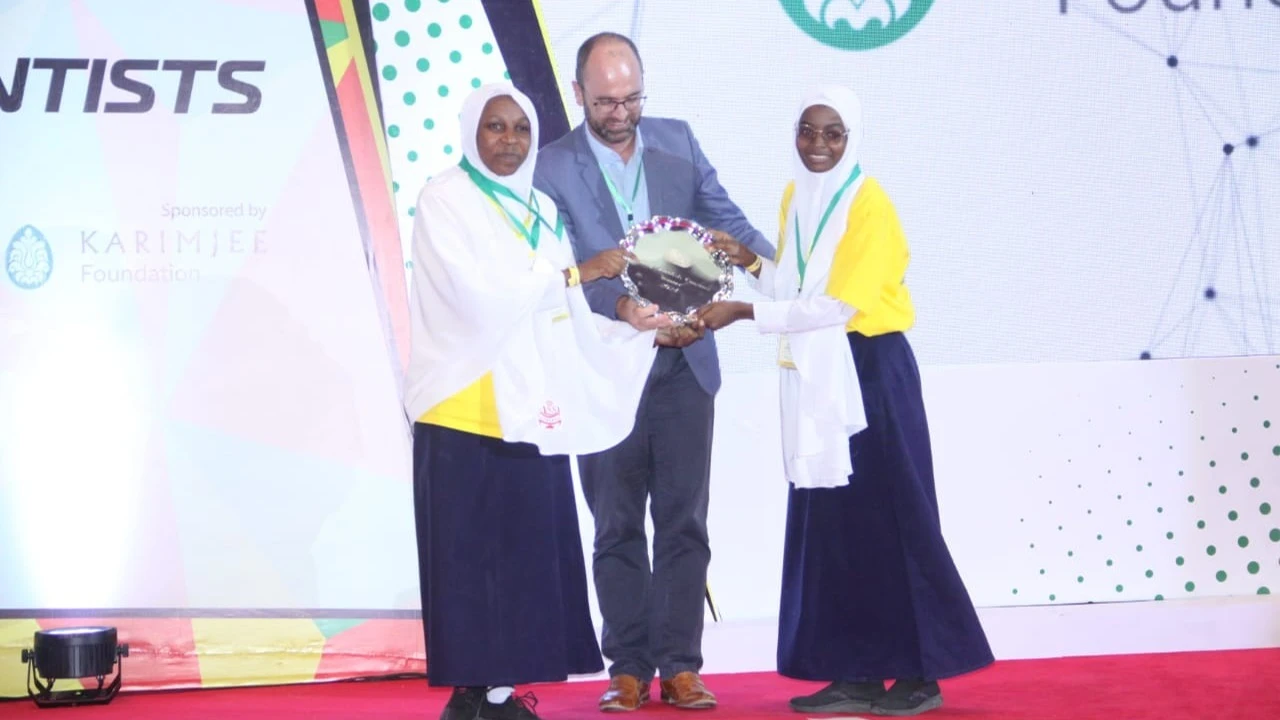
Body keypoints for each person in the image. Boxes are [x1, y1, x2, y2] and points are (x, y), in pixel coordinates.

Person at [697, 86, 994, 717]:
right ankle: (854, 670)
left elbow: (840, 306)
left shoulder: (870, 203)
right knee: (833, 525)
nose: (818, 145)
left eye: (833, 133)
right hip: (818, 368)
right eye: (808, 130)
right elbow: (799, 284)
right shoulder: (795, 197)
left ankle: (921, 675)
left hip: (871, 371)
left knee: (894, 518)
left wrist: (747, 311)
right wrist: (751, 261)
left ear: (852, 137)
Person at [405, 83, 668, 720]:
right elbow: (481, 300)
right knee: (471, 561)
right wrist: (578, 272)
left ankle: (499, 693)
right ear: (471, 131)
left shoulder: (542, 208)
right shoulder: (445, 199)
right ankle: (470, 697)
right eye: (495, 127)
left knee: (524, 559)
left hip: (532, 410)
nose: (509, 140)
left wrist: (630, 326)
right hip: (463, 408)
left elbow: (562, 315)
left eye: (521, 129)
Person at [533, 32, 775, 713]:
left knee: (683, 522)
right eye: (606, 100)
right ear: (579, 95)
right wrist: (623, 306)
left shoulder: (681, 141)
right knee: (614, 525)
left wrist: (774, 270)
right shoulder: (548, 168)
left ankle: (682, 666)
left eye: (632, 97)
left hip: (686, 363)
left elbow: (727, 226)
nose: (621, 112)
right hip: (606, 370)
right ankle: (629, 668)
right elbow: (559, 272)